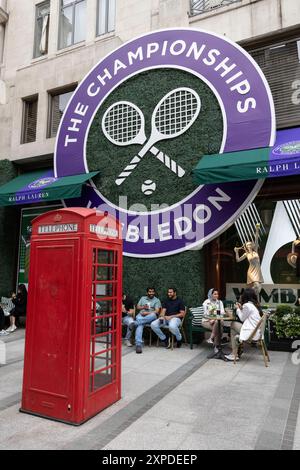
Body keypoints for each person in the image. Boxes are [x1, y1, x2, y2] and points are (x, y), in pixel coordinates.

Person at [225, 288, 262, 362]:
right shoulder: (254, 305)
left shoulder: (247, 305)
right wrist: (241, 308)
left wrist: (238, 308)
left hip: (251, 333)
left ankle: (234, 353)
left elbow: (242, 318)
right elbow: (247, 315)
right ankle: (236, 351)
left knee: (233, 325)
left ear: (245, 296)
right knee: (234, 330)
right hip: (257, 332)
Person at [234, 223, 264, 295]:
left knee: (257, 287)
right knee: (257, 285)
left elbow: (256, 239)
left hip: (258, 270)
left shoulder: (255, 250)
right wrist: (236, 252)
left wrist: (257, 230)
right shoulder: (246, 254)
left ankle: (250, 297)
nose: (249, 246)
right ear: (246, 247)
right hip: (251, 271)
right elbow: (238, 260)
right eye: (248, 245)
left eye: (250, 244)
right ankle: (251, 296)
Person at [129, 287, 161, 354]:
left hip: (151, 316)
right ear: (147, 292)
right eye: (150, 291)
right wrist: (143, 307)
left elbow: (157, 311)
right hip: (141, 315)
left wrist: (147, 313)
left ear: (154, 292)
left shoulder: (157, 300)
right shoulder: (143, 298)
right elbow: (138, 307)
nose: (151, 293)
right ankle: (138, 345)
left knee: (153, 315)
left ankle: (135, 323)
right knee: (140, 325)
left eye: (152, 291)